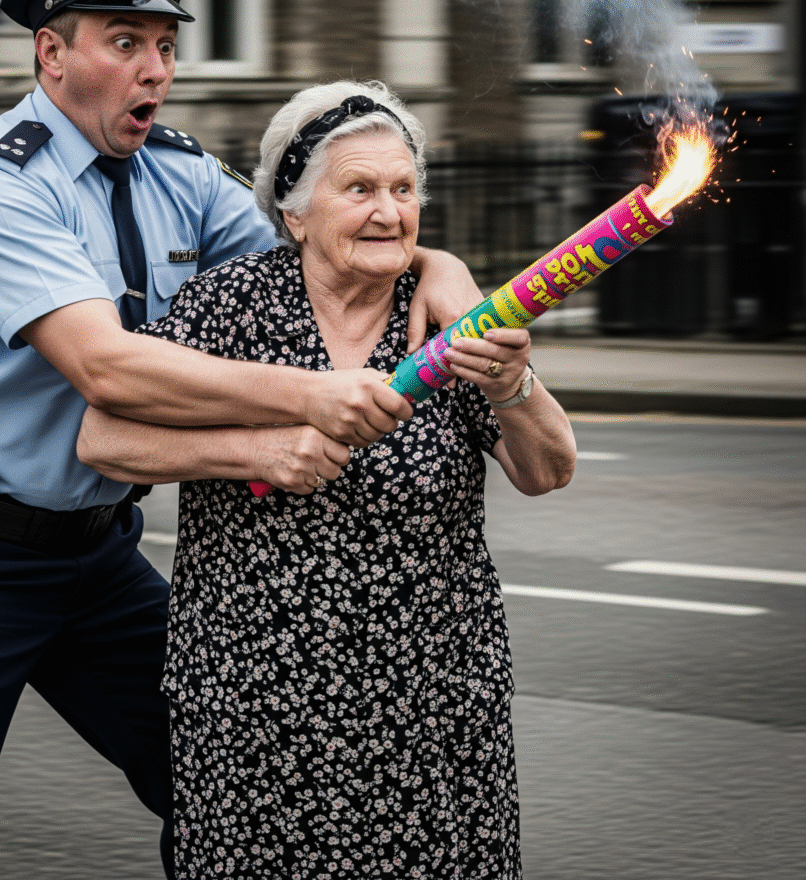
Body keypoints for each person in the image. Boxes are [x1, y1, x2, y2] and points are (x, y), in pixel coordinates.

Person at [0, 0, 487, 880]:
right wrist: (308, 399)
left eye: (167, 46)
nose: (156, 71)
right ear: (53, 54)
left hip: (97, 560)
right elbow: (107, 370)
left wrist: (437, 259)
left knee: (213, 781)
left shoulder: (178, 172)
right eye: (125, 42)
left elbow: (319, 235)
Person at [78, 80, 578, 879]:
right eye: (360, 189)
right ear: (294, 213)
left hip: (432, 703)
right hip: (253, 702)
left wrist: (511, 382)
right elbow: (103, 437)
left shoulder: (450, 312)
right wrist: (257, 452)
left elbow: (547, 469)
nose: (390, 211)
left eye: (404, 188)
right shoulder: (229, 307)